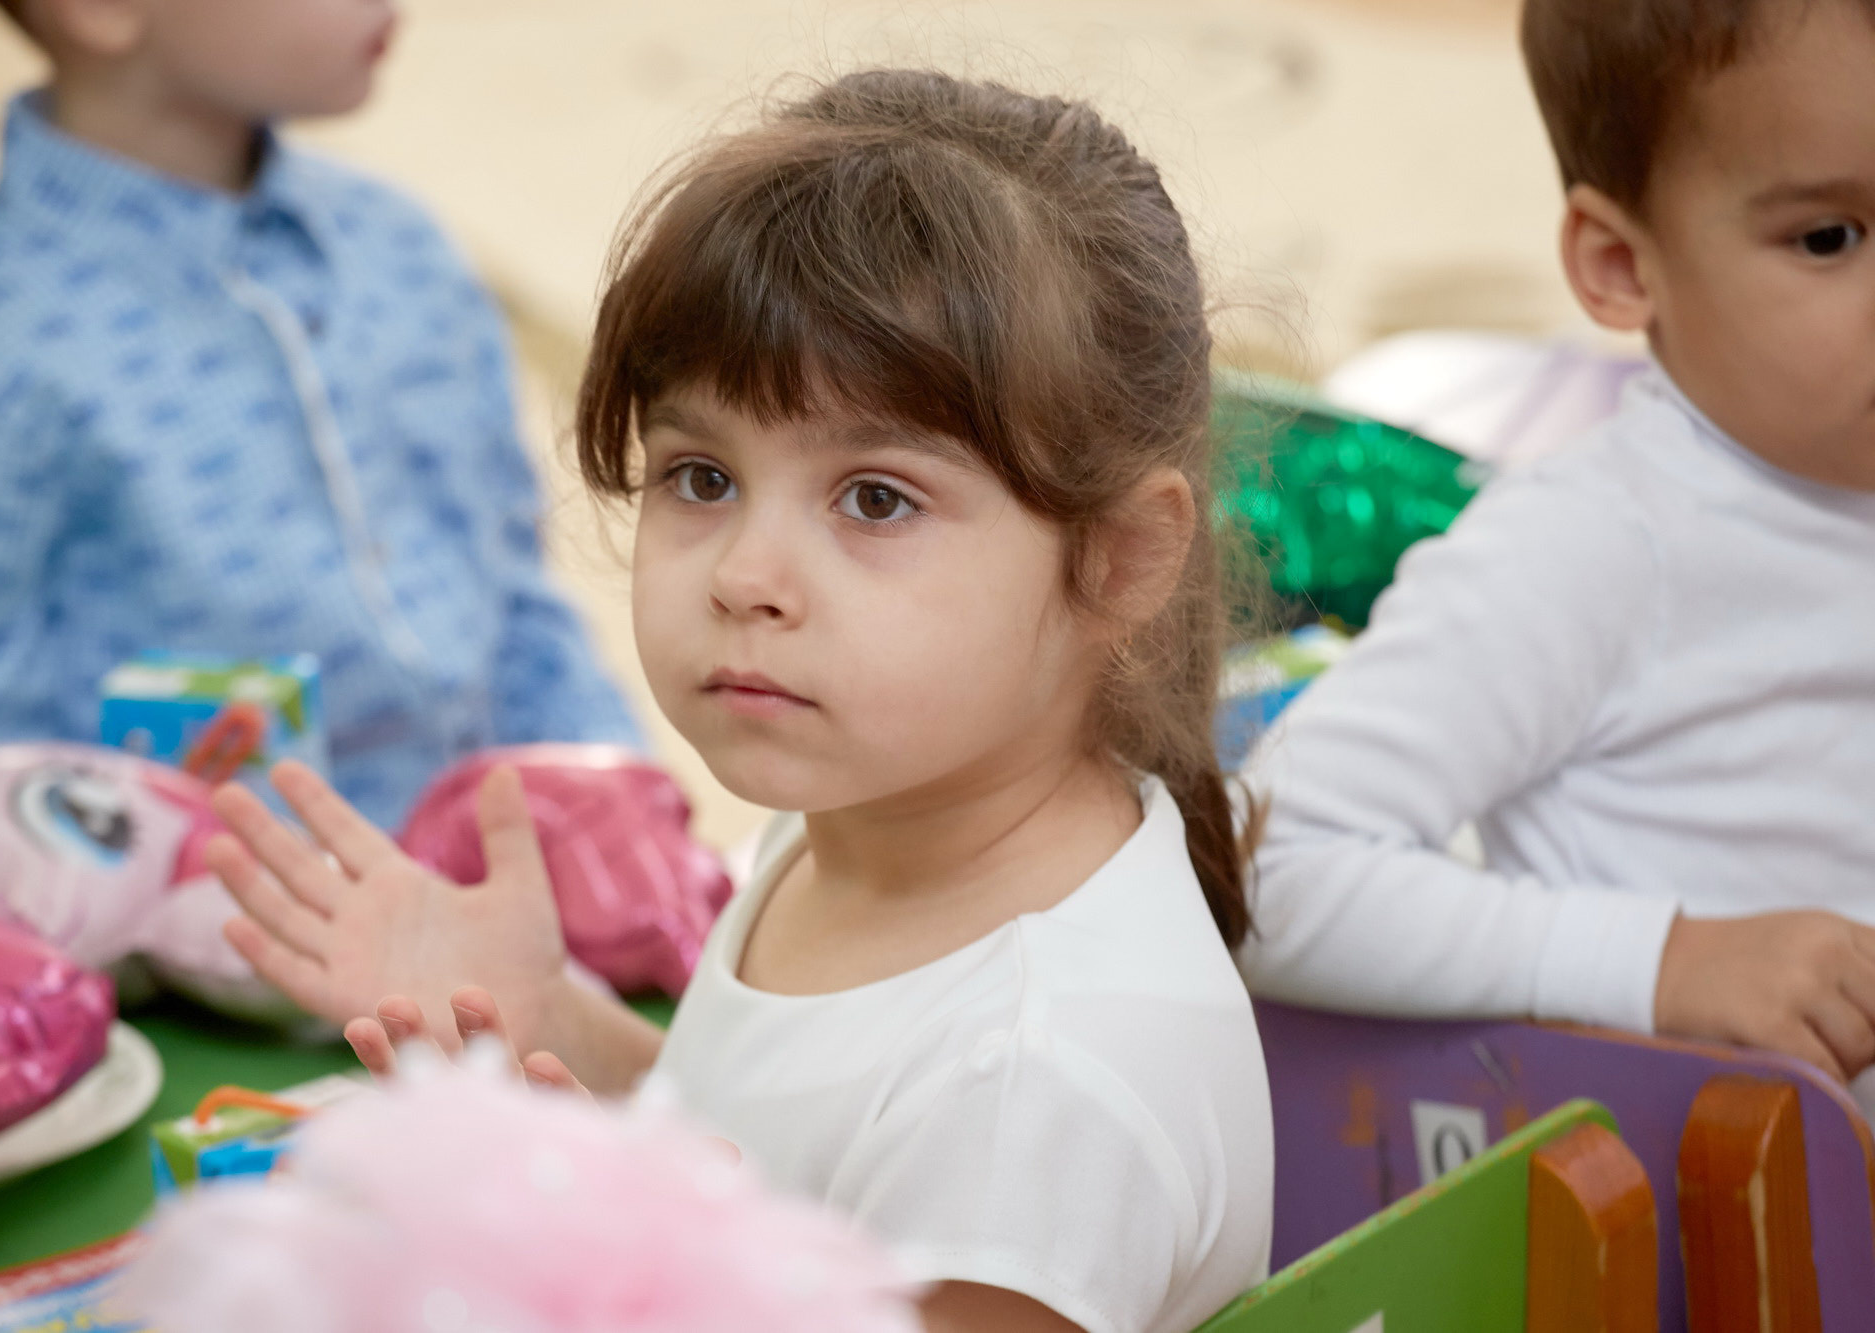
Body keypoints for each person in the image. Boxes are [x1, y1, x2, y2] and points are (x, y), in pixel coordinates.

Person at [203, 70, 1276, 1333]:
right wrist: (555, 1022)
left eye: (874, 497)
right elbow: (778, 1159)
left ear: (1117, 558)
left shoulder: (1035, 1089)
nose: (746, 578)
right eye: (700, 475)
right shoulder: (872, 813)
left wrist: (574, 1245)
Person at [1239, 0, 1875, 1109]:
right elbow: (1266, 874)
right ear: (1621, 264)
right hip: (1715, 1237)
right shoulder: (1594, 546)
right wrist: (1664, 960)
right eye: (1827, 238)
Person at [0, 0, 639, 829]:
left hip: (524, 897)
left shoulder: (402, 248)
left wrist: (627, 805)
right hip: (217, 941)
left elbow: (515, 600)